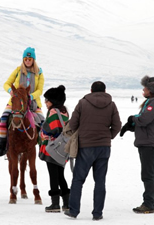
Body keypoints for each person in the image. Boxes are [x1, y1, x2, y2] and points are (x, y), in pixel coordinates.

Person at [64, 81, 121, 220]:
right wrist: (108, 137)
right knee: (100, 181)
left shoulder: (83, 103)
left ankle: (73, 211)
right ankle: (97, 213)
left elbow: (72, 123)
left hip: (85, 146)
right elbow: (117, 125)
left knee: (78, 179)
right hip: (104, 147)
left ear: (91, 90)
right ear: (105, 91)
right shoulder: (111, 104)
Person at [120, 75, 154, 214]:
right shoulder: (152, 102)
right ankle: (153, 203)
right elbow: (145, 121)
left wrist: (132, 119)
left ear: (151, 89)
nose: (142, 91)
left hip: (150, 143)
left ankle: (149, 204)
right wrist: (131, 125)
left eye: (144, 88)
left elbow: (144, 119)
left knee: (147, 174)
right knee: (150, 173)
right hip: (149, 142)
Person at [0, 47, 45, 156]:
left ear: (33, 60)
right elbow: (6, 84)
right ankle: (2, 146)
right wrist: (10, 91)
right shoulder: (18, 70)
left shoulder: (39, 73)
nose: (28, 61)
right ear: (23, 60)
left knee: (43, 122)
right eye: (26, 59)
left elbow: (40, 90)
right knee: (3, 120)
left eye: (30, 59)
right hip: (15, 103)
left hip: (33, 103)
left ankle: (42, 146)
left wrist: (29, 97)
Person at [39, 85, 70, 213]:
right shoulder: (65, 111)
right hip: (62, 148)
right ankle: (67, 203)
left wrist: (41, 132)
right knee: (60, 175)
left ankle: (55, 204)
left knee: (53, 175)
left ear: (53, 101)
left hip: (52, 148)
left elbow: (49, 129)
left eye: (47, 100)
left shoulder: (53, 112)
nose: (45, 103)